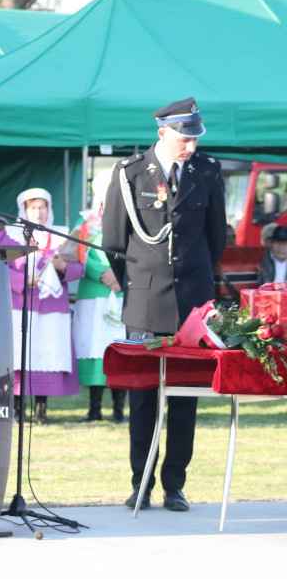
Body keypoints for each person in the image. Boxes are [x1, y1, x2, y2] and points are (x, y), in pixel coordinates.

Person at [102, 96, 227, 512]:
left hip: (191, 305)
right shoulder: (129, 173)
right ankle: (141, 482)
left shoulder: (207, 171)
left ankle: (175, 483)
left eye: (194, 138)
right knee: (144, 396)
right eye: (183, 138)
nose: (190, 146)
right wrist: (136, 288)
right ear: (162, 133)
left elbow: (216, 239)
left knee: (186, 396)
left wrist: (198, 288)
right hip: (144, 302)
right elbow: (115, 243)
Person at [0, 188, 83, 424]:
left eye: (43, 207)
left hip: (52, 308)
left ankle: (41, 411)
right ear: (23, 210)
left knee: (46, 357)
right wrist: (23, 281)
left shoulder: (63, 235)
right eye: (33, 207)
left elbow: (79, 269)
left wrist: (63, 266)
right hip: (19, 304)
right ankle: (17, 410)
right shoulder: (9, 235)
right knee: (19, 355)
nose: (39, 212)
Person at [70, 168, 127, 423]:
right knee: (94, 348)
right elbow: (78, 254)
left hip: (123, 292)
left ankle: (119, 410)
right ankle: (94, 409)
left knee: (119, 348)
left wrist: (119, 275)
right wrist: (103, 273)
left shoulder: (131, 220)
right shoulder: (85, 224)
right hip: (93, 293)